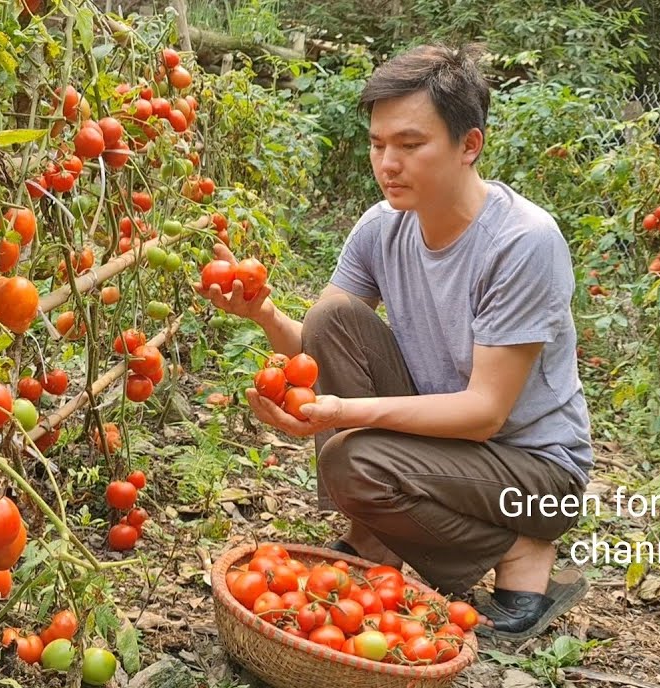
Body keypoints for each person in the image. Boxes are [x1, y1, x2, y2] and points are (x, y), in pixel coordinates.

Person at [195, 43, 593, 641]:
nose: (388, 163)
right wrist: (266, 315)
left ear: (469, 146)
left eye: (410, 145)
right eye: (379, 144)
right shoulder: (383, 225)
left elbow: (485, 413)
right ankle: (375, 534)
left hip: (535, 475)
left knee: (351, 460)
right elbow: (322, 346)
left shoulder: (522, 241)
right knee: (333, 315)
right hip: (446, 454)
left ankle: (519, 551)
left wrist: (344, 414)